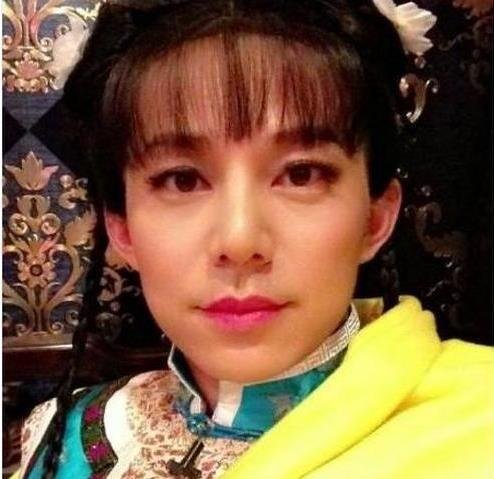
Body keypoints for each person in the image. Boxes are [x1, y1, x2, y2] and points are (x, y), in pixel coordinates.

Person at [14, 1, 493, 478]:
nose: (240, 241)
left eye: (301, 174)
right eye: (182, 180)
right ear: (123, 231)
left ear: (374, 218)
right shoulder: (67, 436)